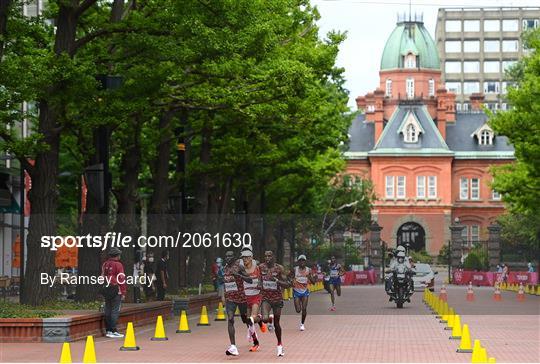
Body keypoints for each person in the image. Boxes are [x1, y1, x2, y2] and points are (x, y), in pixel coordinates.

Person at [259, 250, 289, 357]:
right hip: (266, 298)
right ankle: (268, 319)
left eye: (269, 256)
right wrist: (259, 285)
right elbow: (259, 280)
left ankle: (280, 345)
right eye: (266, 256)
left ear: (273, 257)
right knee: (264, 319)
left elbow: (286, 284)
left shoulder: (279, 268)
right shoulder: (261, 267)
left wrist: (276, 280)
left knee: (277, 324)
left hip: (277, 299)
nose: (267, 258)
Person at [223, 250, 252, 357]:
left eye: (230, 256)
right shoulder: (225, 268)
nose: (228, 258)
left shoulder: (239, 267)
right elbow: (225, 283)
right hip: (230, 298)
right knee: (230, 319)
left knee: (245, 319)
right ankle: (233, 346)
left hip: (240, 298)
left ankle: (251, 329)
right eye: (226, 256)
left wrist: (239, 275)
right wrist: (223, 296)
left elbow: (249, 280)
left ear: (234, 257)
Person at [242, 249, 266, 352]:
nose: (245, 259)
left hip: (256, 297)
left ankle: (256, 343)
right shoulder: (241, 269)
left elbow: (263, 279)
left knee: (251, 319)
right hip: (246, 297)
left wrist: (260, 284)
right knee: (248, 321)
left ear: (251, 258)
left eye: (247, 257)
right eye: (243, 257)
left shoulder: (258, 268)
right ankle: (260, 320)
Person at [102, 247, 126, 338]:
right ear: (117, 255)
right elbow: (121, 278)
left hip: (107, 289)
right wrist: (123, 291)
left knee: (108, 309)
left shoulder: (105, 264)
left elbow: (102, 276)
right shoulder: (118, 265)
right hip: (116, 289)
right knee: (115, 310)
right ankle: (113, 330)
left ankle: (108, 330)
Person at [289, 255, 317, 331]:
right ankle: (299, 310)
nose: (302, 262)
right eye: (300, 260)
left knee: (304, 308)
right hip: (296, 291)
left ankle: (302, 324)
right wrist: (291, 280)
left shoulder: (309, 270)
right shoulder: (295, 269)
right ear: (298, 262)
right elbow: (288, 277)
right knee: (298, 310)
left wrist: (309, 277)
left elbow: (314, 282)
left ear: (305, 262)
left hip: (305, 291)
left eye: (303, 260)